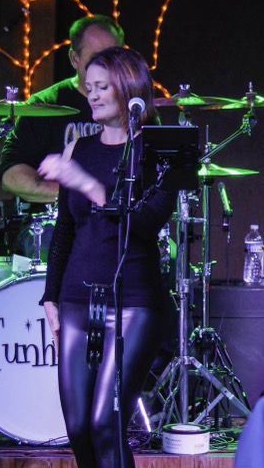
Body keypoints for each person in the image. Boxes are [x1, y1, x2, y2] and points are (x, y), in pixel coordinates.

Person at [39, 46, 172, 467]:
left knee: (104, 424)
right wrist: (50, 296)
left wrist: (90, 187)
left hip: (134, 302)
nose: (92, 96)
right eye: (89, 87)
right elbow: (65, 229)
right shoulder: (79, 150)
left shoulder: (157, 151)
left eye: (102, 87)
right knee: (79, 428)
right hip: (77, 298)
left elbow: (146, 221)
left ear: (128, 88)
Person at [0, 15, 124, 203]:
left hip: (120, 216)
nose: (105, 66)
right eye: (96, 59)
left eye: (113, 57)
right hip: (60, 216)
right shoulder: (45, 103)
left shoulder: (134, 106)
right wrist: (77, 194)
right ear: (75, 59)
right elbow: (10, 175)